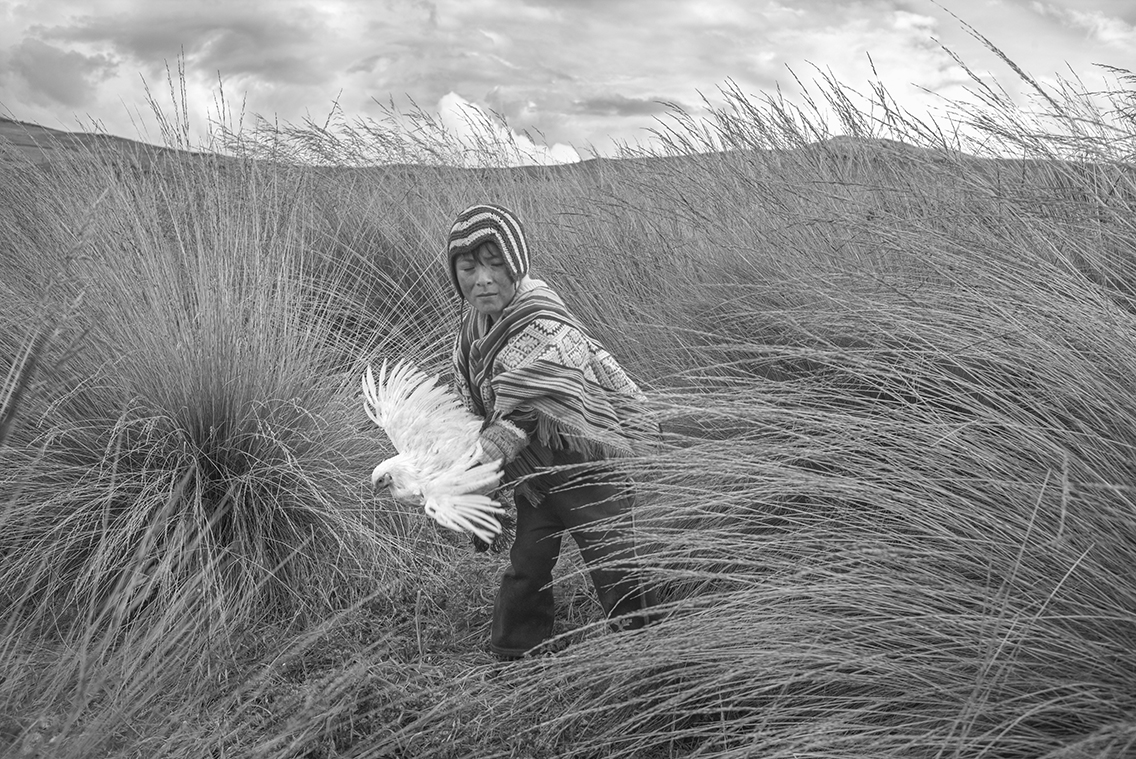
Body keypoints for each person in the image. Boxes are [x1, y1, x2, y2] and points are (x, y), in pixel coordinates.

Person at [446, 202, 658, 660]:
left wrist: (479, 464)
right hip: (535, 472)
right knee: (528, 561)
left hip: (585, 459)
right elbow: (474, 399)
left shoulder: (541, 321)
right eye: (467, 268)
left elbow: (526, 408)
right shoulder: (473, 327)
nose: (481, 279)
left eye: (494, 264)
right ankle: (515, 648)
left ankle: (644, 645)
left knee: (611, 552)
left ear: (516, 266)